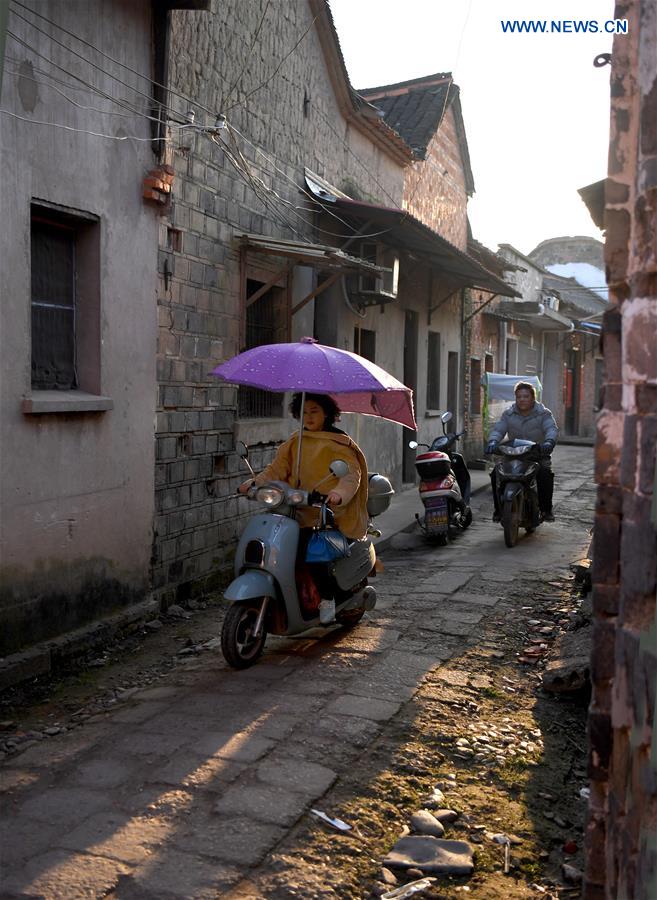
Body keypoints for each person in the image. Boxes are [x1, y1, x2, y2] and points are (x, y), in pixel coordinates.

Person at [238, 392, 369, 539]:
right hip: (293, 507)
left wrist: (339, 494)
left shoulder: (339, 444)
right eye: (304, 412)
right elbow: (277, 468)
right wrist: (255, 483)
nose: (308, 417)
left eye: (314, 411)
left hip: (326, 512)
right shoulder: (295, 441)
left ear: (326, 413)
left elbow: (350, 475)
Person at [485, 381, 558, 522]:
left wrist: (549, 442)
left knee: (544, 473)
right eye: (519, 397)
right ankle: (499, 510)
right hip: (513, 454)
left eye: (526, 396)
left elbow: (551, 429)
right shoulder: (508, 414)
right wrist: (493, 441)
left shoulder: (543, 413)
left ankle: (546, 510)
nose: (522, 399)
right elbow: (499, 430)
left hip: (537, 453)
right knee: (496, 474)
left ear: (533, 398)